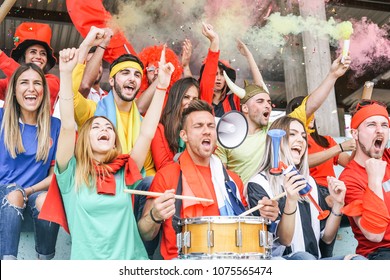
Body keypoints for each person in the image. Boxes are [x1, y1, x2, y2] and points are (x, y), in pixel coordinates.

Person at [51, 37, 174, 259]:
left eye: (108, 126)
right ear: (84, 139)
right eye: (95, 126)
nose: (103, 128)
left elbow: (146, 132)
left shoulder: (124, 171)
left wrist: (162, 85)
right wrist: (66, 74)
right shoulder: (71, 173)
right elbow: (68, 126)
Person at [215, 54, 351, 185]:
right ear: (245, 108)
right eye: (260, 101)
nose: (267, 105)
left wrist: (333, 75)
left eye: (268, 102)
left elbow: (311, 105)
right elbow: (221, 178)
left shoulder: (276, 130)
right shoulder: (227, 138)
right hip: (243, 205)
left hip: (273, 204)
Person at [138, 100, 248, 260]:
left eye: (211, 126)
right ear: (184, 135)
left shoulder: (232, 181)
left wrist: (265, 216)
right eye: (198, 126)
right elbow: (144, 233)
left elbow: (246, 231)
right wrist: (155, 215)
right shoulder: (166, 176)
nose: (207, 131)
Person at [246, 116, 366, 260]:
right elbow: (284, 240)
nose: (301, 140)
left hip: (314, 261)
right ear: (276, 142)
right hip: (283, 262)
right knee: (304, 258)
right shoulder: (258, 184)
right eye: (292, 134)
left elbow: (326, 238)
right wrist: (291, 201)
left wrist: (338, 204)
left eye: (303, 136)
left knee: (358, 261)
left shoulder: (309, 182)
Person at [0, 63, 60, 260]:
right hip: (3, 192)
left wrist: (28, 192)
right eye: (24, 82)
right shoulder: (1, 118)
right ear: (14, 90)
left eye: (37, 83)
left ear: (44, 90)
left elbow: (54, 177)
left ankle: (44, 262)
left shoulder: (54, 126)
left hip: (34, 191)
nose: (31, 88)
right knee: (14, 195)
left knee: (46, 200)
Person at [339, 99, 390, 260]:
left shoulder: (388, 157)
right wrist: (374, 181)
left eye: (384, 125)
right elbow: (374, 234)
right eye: (371, 125)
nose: (379, 130)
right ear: (355, 133)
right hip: (381, 252)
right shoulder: (349, 178)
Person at [0, 22, 59, 114]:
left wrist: (1, 57)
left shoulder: (53, 82)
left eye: (43, 53)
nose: (38, 57)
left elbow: (27, 76)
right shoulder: (9, 81)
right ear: (24, 57)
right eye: (33, 52)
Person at [151, 77, 200, 171]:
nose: (191, 103)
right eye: (186, 97)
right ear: (176, 99)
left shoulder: (201, 129)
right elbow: (163, 168)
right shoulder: (159, 130)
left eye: (195, 99)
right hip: (172, 182)